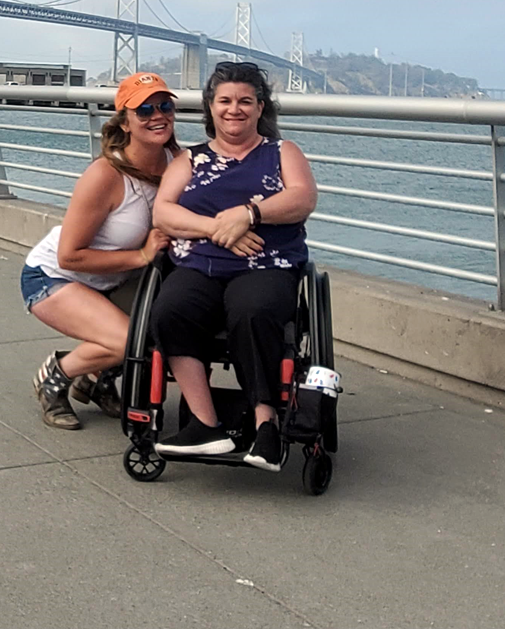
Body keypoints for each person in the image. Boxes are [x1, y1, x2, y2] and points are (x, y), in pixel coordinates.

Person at [150, 61, 317, 472]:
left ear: (260, 107)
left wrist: (249, 214)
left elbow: (302, 198)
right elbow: (163, 213)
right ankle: (205, 425)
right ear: (211, 107)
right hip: (200, 264)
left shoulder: (282, 153)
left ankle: (266, 424)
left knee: (252, 310)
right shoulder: (189, 159)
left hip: (266, 265)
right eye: (224, 100)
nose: (234, 109)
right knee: (170, 310)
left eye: (245, 101)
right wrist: (219, 228)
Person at [20, 72, 179, 430]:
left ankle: (94, 381)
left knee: (171, 319)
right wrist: (141, 256)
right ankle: (56, 376)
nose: (157, 115)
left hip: (113, 280)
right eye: (144, 110)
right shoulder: (105, 175)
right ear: (124, 122)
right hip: (54, 277)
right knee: (125, 341)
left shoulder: (176, 160)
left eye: (164, 106)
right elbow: (69, 255)